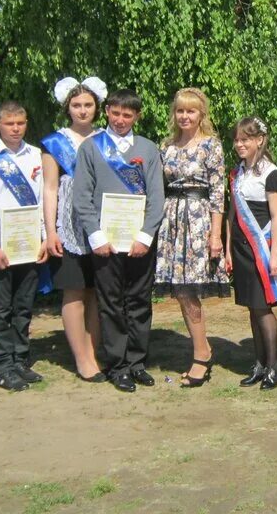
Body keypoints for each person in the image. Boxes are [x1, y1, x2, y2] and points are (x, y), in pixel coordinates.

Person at [72, 88, 165, 393]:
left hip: (139, 242)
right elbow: (81, 197)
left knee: (139, 302)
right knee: (111, 304)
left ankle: (137, 362)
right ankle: (117, 365)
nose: (121, 119)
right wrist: (96, 236)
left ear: (136, 116)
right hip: (106, 243)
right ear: (107, 111)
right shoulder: (90, 148)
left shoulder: (148, 149)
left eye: (128, 114)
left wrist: (145, 236)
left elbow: (156, 197)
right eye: (116, 113)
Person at [0, 100, 49, 391]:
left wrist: (43, 237)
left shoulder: (36, 155)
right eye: (10, 124)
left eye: (21, 123)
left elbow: (41, 200)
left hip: (28, 233)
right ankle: (1, 365)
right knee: (1, 307)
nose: (16, 129)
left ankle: (20, 360)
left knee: (24, 303)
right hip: (0, 234)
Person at [153, 87, 227, 388]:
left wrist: (216, 233)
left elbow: (219, 191)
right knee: (181, 291)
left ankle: (201, 355)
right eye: (180, 110)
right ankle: (202, 349)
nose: (185, 116)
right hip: (172, 220)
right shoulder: (166, 146)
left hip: (199, 219)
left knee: (191, 290)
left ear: (201, 114)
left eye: (191, 111)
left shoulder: (211, 145)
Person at [41, 76, 105, 382]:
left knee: (96, 290)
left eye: (88, 105)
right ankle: (81, 359)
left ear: (97, 107)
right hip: (68, 225)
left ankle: (94, 352)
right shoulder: (54, 143)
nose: (82, 110)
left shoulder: (107, 138)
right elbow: (50, 188)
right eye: (77, 105)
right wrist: (51, 231)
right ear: (68, 107)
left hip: (101, 224)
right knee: (74, 291)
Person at [225, 116, 277, 390]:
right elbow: (232, 214)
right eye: (237, 140)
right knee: (252, 307)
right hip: (240, 249)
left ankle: (274, 365)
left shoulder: (271, 173)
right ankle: (259, 364)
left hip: (261, 248)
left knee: (263, 309)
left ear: (259, 140)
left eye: (245, 139)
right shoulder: (238, 173)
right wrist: (227, 249)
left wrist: (274, 255)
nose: (239, 144)